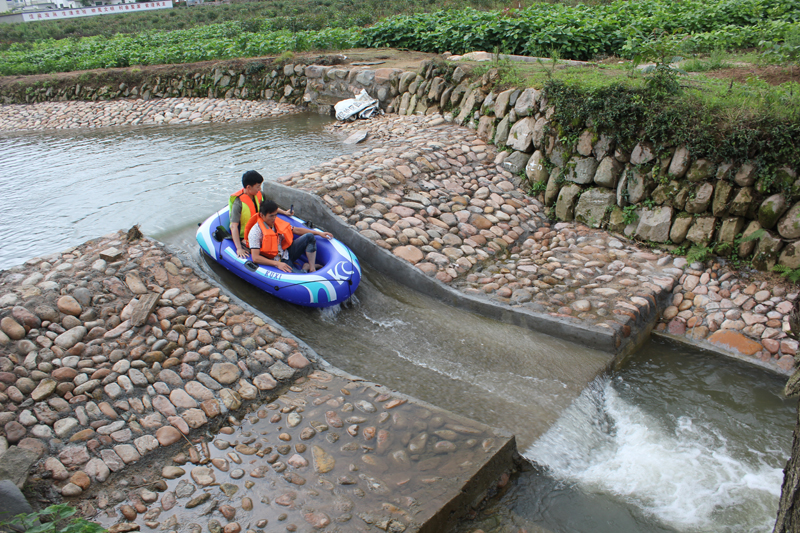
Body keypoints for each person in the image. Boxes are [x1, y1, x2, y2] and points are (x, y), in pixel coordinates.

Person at [245, 200, 333, 273]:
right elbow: (255, 258)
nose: (274, 218)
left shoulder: (276, 222)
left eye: (275, 215)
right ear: (262, 215)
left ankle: (312, 268)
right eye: (271, 216)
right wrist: (277, 264)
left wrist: (318, 233)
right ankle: (305, 268)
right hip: (276, 261)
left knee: (309, 236)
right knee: (302, 278)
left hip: (286, 253)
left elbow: (296, 230)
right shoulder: (255, 232)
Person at [229, 170, 290, 258]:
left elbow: (269, 207)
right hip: (247, 236)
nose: (260, 189)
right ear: (249, 187)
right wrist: (239, 248)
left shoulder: (260, 195)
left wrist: (285, 212)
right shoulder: (238, 203)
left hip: (262, 227)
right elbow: (233, 226)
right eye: (258, 186)